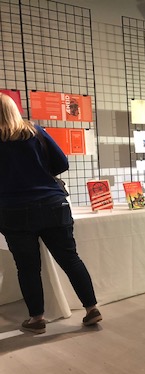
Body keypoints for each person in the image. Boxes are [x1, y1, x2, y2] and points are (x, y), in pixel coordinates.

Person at [0, 93, 102, 334]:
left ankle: (37, 318)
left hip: (12, 210)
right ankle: (91, 308)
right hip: (52, 204)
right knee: (70, 259)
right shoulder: (35, 132)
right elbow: (62, 163)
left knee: (27, 267)